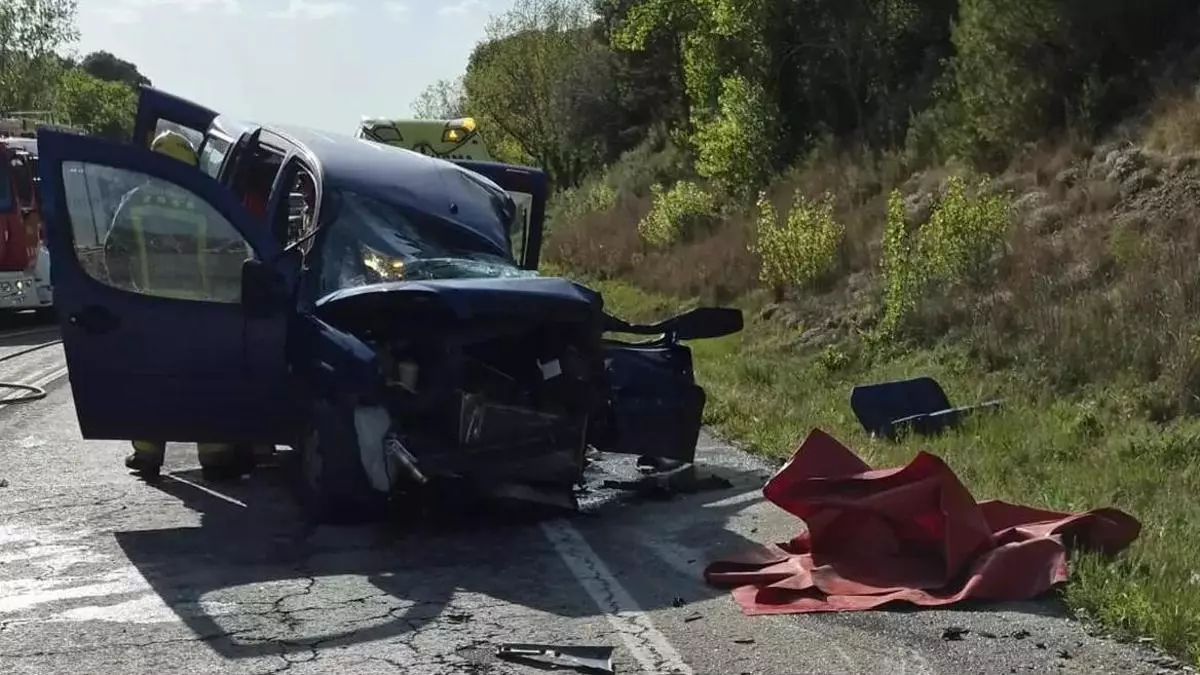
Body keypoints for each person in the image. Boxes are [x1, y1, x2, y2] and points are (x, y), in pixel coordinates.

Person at [111, 130, 257, 481]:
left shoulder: (134, 202)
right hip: (199, 311)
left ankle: (147, 454)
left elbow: (114, 251)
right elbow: (233, 254)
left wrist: (124, 292)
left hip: (149, 309)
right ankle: (215, 455)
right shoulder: (206, 204)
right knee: (204, 383)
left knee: (152, 384)